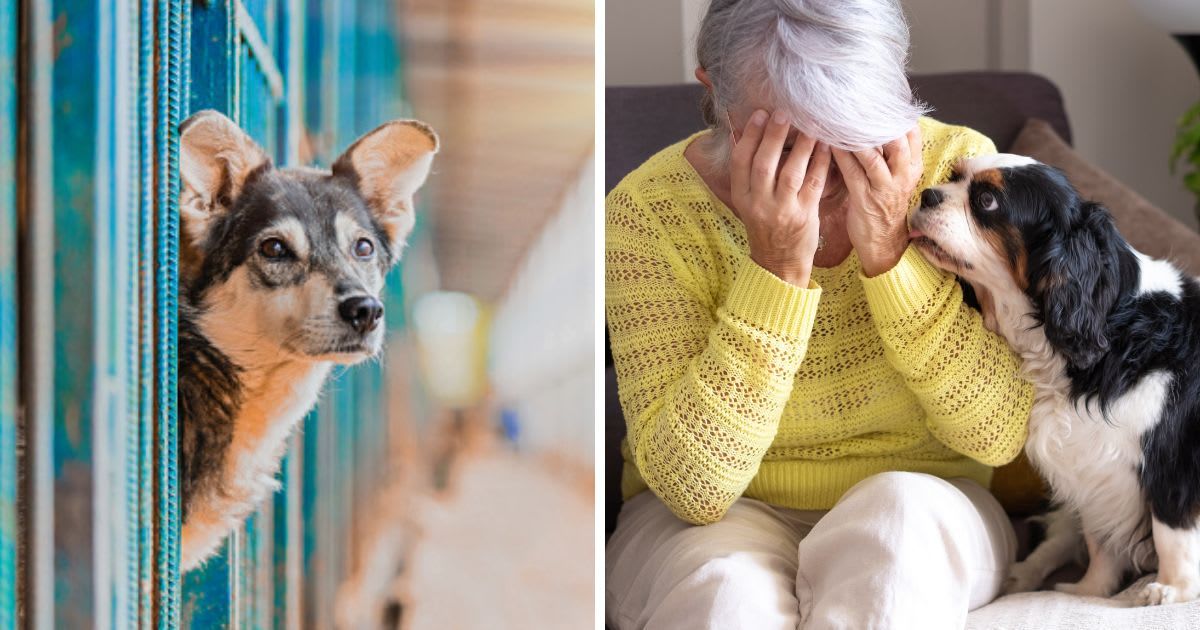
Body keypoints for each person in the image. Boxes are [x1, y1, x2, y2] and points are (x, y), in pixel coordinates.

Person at [604, 0, 1034, 627]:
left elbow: (995, 435)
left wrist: (889, 253)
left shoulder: (959, 173)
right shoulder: (647, 212)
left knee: (898, 534)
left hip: (926, 492)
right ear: (714, 93)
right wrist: (776, 269)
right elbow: (694, 489)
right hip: (722, 512)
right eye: (790, 140)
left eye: (857, 129)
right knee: (726, 594)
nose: (830, 166)